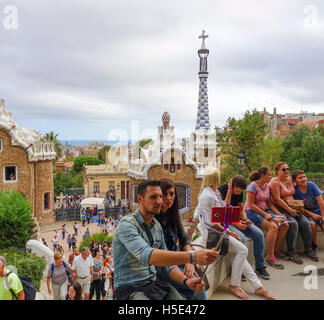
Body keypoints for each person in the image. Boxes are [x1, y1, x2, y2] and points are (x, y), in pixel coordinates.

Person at [113, 180, 218, 300]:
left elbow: (167, 266)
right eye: (153, 197)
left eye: (160, 197)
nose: (159, 201)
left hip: (152, 284)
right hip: (129, 288)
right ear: (140, 199)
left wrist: (186, 281)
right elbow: (148, 255)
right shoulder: (127, 225)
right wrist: (192, 257)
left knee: (194, 292)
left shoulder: (157, 226)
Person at [196, 168, 275, 300]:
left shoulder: (213, 192)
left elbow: (224, 207)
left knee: (241, 251)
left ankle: (258, 287)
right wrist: (230, 232)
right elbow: (210, 222)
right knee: (242, 250)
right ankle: (238, 286)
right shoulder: (207, 196)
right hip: (211, 233)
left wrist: (228, 190)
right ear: (216, 178)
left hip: (217, 229)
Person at [156, 179, 207, 300]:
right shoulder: (153, 219)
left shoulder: (173, 214)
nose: (168, 198)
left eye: (171, 194)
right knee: (197, 287)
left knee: (197, 286)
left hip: (177, 259)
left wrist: (189, 262)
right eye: (164, 194)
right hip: (162, 265)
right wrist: (188, 259)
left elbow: (184, 238)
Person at [218, 175, 269, 280]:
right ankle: (238, 269)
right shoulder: (221, 191)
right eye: (237, 191)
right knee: (241, 237)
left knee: (259, 234)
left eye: (241, 191)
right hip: (225, 222)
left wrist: (245, 219)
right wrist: (237, 224)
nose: (239, 193)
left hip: (237, 220)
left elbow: (241, 209)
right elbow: (221, 214)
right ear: (232, 186)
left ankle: (260, 266)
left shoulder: (239, 192)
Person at [269, 162, 318, 263]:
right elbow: (277, 200)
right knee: (293, 224)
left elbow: (301, 183)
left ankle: (309, 249)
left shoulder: (290, 179)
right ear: (277, 171)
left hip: (294, 207)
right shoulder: (274, 182)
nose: (287, 171)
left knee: (305, 223)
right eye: (283, 169)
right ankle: (292, 252)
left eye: (288, 169)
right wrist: (289, 210)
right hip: (281, 209)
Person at [244, 167, 289, 272]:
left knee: (284, 224)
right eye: (269, 175)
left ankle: (276, 251)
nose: (271, 177)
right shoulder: (252, 186)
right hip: (252, 212)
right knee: (273, 227)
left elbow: (270, 204)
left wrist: (279, 214)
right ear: (262, 175)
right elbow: (250, 204)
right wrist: (265, 214)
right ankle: (270, 256)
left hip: (265, 211)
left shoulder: (267, 187)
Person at [292, 170, 324, 251]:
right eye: (300, 178)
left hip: (319, 211)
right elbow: (300, 208)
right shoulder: (295, 191)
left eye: (304, 177)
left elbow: (320, 201)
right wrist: (312, 215)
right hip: (308, 213)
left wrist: (323, 215)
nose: (303, 179)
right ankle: (314, 245)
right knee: (312, 224)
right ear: (295, 181)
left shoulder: (311, 185)